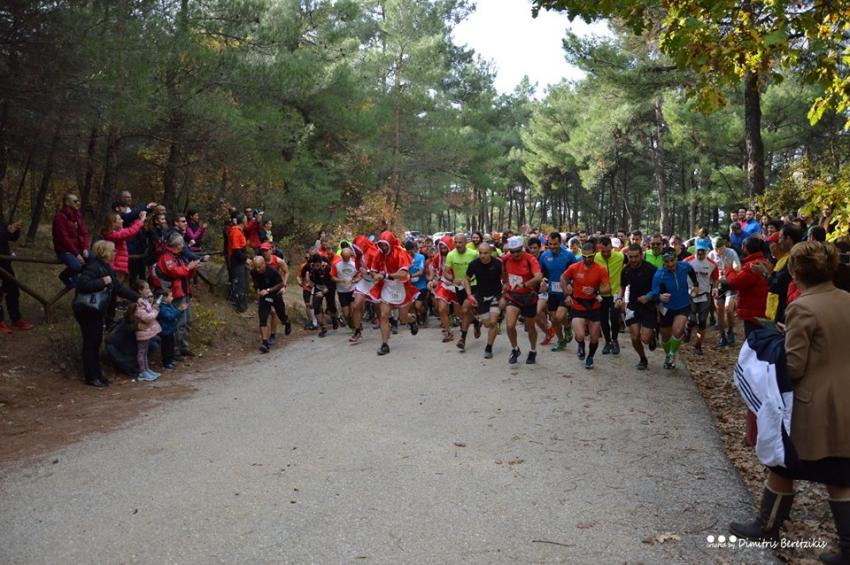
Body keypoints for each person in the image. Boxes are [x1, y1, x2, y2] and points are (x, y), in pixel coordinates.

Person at [730, 241, 850, 565]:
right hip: (844, 399)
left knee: (784, 463)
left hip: (812, 404)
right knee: (839, 473)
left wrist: (779, 339)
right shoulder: (846, 299)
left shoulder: (802, 307)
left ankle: (767, 526)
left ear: (796, 271)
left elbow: (795, 366)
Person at [73, 240, 141, 388]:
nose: (115, 252)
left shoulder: (106, 267)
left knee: (95, 342)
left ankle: (97, 374)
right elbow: (82, 285)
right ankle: (91, 377)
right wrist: (102, 281)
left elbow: (118, 288)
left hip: (96, 311)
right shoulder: (93, 266)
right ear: (104, 252)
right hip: (87, 310)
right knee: (91, 343)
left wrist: (138, 298)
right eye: (113, 250)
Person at [367, 230, 420, 356]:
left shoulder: (400, 253)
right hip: (386, 287)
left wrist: (385, 275)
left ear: (390, 243)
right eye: (380, 244)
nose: (382, 247)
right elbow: (374, 271)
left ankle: (411, 320)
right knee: (384, 315)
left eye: (385, 245)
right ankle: (385, 344)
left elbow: (403, 274)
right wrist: (375, 275)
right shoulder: (378, 254)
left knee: (403, 318)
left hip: (401, 286)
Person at [647, 250, 699, 369]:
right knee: (665, 335)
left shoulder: (684, 266)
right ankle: (668, 355)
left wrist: (696, 285)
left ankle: (671, 354)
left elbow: (691, 272)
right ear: (663, 261)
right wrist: (659, 296)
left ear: (676, 258)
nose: (670, 264)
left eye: (672, 260)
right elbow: (654, 293)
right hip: (666, 308)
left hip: (683, 305)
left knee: (678, 330)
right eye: (666, 262)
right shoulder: (659, 274)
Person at [562, 242, 611, 370]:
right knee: (579, 335)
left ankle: (590, 357)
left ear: (595, 254)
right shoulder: (574, 267)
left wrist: (596, 291)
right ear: (581, 254)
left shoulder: (600, 269)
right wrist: (566, 294)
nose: (587, 259)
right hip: (578, 304)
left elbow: (608, 288)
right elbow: (563, 278)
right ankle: (581, 345)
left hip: (594, 305)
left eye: (590, 256)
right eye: (585, 256)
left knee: (594, 337)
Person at [155, 233, 201, 358]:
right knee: (177, 322)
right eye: (182, 243)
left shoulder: (179, 256)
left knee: (187, 321)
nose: (184, 246)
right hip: (175, 294)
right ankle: (174, 351)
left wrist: (193, 269)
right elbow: (173, 271)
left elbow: (185, 273)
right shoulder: (167, 257)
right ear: (177, 244)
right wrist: (188, 267)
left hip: (184, 291)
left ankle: (183, 347)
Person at [502, 236, 543, 364]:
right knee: (509, 325)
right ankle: (515, 349)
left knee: (530, 326)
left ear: (523, 248)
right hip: (513, 296)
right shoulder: (505, 260)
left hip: (529, 297)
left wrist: (524, 285)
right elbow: (503, 275)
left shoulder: (530, 259)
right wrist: (506, 284)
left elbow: (538, 277)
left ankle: (533, 350)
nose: (515, 254)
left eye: (518, 251)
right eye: (512, 251)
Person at [618, 244, 657, 370]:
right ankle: (642, 358)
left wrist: (649, 297)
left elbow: (657, 289)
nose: (633, 260)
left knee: (645, 339)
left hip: (648, 305)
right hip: (633, 305)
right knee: (634, 336)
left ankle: (651, 337)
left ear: (641, 255)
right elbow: (622, 287)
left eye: (636, 257)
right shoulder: (626, 270)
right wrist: (620, 298)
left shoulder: (651, 269)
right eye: (630, 257)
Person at [463, 242, 504, 359]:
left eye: (485, 253)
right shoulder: (474, 264)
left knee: (493, 321)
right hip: (482, 296)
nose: (483, 256)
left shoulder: (498, 264)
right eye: (480, 253)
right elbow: (466, 279)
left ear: (490, 253)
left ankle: (489, 348)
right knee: (487, 324)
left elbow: (505, 279)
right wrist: (469, 294)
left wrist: (504, 295)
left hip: (496, 294)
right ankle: (479, 322)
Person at [725, 237, 771, 337]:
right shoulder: (765, 261)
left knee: (753, 341)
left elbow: (735, 282)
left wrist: (729, 270)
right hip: (762, 308)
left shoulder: (751, 266)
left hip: (753, 311)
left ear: (745, 248)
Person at [539, 232, 577, 351]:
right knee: (554, 319)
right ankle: (561, 340)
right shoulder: (544, 256)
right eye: (550, 244)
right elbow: (542, 273)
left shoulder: (568, 255)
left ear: (560, 243)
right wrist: (542, 282)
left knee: (559, 317)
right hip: (552, 291)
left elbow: (576, 273)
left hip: (565, 291)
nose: (553, 246)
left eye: (555, 244)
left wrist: (571, 285)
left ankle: (567, 326)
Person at [445, 233, 480, 352]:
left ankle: (462, 339)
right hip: (459, 287)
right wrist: (452, 279)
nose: (458, 244)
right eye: (456, 242)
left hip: (473, 285)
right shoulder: (451, 254)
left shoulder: (473, 254)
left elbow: (480, 269)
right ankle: (475, 321)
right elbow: (445, 272)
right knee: (465, 311)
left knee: (465, 309)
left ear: (466, 242)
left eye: (460, 242)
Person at [0, 216, 33, 333]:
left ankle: (16, 319)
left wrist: (15, 230)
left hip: (4, 262)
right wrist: (7, 232)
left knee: (13, 289)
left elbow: (12, 238)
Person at [684, 241, 718, 355]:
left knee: (702, 321)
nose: (700, 253)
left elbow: (715, 278)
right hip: (690, 294)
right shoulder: (687, 262)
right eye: (698, 251)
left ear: (707, 251)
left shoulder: (712, 264)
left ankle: (698, 346)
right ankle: (688, 330)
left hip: (705, 294)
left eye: (703, 251)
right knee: (692, 320)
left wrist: (715, 288)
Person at [250, 256, 288, 353]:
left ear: (264, 264)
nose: (257, 269)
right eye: (256, 267)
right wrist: (258, 290)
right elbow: (255, 283)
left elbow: (281, 284)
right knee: (263, 318)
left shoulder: (272, 271)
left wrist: (268, 290)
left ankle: (286, 322)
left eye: (259, 267)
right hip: (264, 296)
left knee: (281, 315)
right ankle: (265, 343)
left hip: (275, 294)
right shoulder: (254, 272)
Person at [53, 193, 90, 288]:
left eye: (78, 201)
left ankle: (82, 282)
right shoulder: (59, 217)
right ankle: (64, 276)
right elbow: (64, 238)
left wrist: (85, 248)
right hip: (64, 250)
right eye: (75, 201)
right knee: (76, 266)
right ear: (67, 202)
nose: (78, 203)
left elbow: (84, 233)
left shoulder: (78, 216)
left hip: (78, 248)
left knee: (93, 259)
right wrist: (77, 254)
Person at [708, 237, 741, 347]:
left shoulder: (731, 252)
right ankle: (722, 337)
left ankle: (730, 330)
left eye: (720, 248)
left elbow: (738, 267)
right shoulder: (711, 255)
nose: (718, 251)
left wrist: (732, 267)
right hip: (718, 286)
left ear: (724, 245)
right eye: (715, 249)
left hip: (730, 284)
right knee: (720, 312)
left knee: (729, 308)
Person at [595, 236, 625, 355]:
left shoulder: (620, 257)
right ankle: (607, 342)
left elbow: (629, 267)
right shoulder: (596, 257)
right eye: (603, 251)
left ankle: (615, 340)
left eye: (609, 251)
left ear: (612, 248)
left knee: (614, 317)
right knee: (603, 318)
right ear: (599, 248)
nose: (606, 253)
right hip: (602, 293)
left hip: (615, 292)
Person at [100, 210, 146, 285]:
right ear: (113, 223)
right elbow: (130, 232)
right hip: (116, 266)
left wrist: (138, 219)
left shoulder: (115, 232)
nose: (122, 221)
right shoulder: (112, 235)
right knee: (115, 288)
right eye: (120, 219)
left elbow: (130, 229)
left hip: (118, 266)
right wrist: (141, 220)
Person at [128, 280, 161, 381]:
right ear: (139, 291)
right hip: (142, 331)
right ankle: (142, 372)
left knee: (145, 351)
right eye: (146, 288)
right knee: (141, 352)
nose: (149, 290)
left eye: (148, 288)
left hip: (146, 331)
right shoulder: (137, 305)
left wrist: (152, 306)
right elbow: (147, 317)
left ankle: (147, 369)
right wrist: (155, 310)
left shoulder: (145, 302)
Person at [259, 242, 291, 341]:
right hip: (265, 289)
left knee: (278, 312)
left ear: (271, 250)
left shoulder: (278, 261)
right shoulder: (260, 261)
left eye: (266, 250)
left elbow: (286, 272)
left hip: (276, 288)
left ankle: (286, 322)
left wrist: (284, 286)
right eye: (262, 251)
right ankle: (272, 335)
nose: (264, 253)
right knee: (272, 312)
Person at [306, 254, 336, 337]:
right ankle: (323, 328)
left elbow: (331, 283)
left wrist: (323, 292)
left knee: (331, 307)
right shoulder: (310, 267)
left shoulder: (326, 268)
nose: (316, 267)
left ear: (321, 263)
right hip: (318, 287)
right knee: (316, 306)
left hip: (328, 286)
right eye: (314, 265)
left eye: (318, 265)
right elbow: (309, 278)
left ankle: (334, 318)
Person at [228, 213, 249, 312]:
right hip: (237, 262)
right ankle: (239, 306)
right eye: (246, 219)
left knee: (244, 283)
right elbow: (236, 250)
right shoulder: (236, 231)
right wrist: (245, 259)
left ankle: (243, 305)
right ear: (243, 221)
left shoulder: (241, 231)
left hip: (241, 261)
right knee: (240, 284)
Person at [156, 289, 182, 370]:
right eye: (170, 296)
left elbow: (174, 313)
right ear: (164, 298)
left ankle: (170, 361)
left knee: (171, 346)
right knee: (166, 348)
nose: (172, 298)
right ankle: (166, 362)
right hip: (165, 331)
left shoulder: (169, 305)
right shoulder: (162, 308)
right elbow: (169, 316)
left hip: (171, 330)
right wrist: (179, 310)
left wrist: (180, 310)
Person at [405, 240, 428, 325]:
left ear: (414, 249)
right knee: (411, 306)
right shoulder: (404, 257)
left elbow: (421, 271)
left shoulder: (421, 257)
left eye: (411, 249)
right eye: (407, 250)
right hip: (410, 285)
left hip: (421, 285)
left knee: (418, 306)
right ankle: (415, 321)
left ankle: (424, 313)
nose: (409, 252)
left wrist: (411, 276)